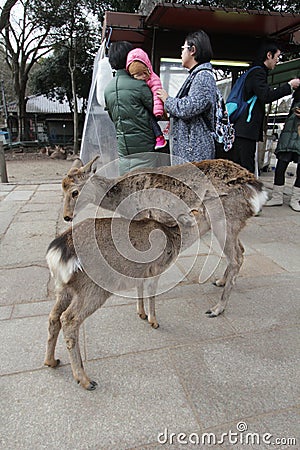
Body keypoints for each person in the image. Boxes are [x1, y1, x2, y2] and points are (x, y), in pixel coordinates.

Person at [227, 40, 300, 174]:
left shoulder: (255, 72)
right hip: (245, 130)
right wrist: (289, 86)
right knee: (245, 171)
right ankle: (247, 195)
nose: (277, 61)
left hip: (243, 130)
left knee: (241, 169)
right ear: (268, 55)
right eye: (277, 57)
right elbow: (266, 95)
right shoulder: (258, 73)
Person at [157, 30, 217, 163]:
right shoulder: (197, 76)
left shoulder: (203, 77)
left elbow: (188, 108)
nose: (181, 53)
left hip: (195, 152)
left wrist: (167, 99)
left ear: (193, 50)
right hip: (191, 151)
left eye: (183, 48)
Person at [104, 41, 158, 175]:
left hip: (124, 148)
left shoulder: (107, 89)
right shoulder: (139, 86)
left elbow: (113, 117)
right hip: (145, 148)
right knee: (147, 186)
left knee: (128, 186)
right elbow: (156, 110)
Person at [265, 87, 300, 211]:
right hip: (287, 137)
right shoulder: (295, 98)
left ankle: (295, 199)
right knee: (280, 168)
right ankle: (277, 197)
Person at [126, 48, 167, 150]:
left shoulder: (153, 79)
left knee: (150, 118)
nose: (143, 77)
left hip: (155, 109)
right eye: (138, 75)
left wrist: (158, 111)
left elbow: (158, 95)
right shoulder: (135, 83)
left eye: (145, 73)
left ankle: (159, 136)